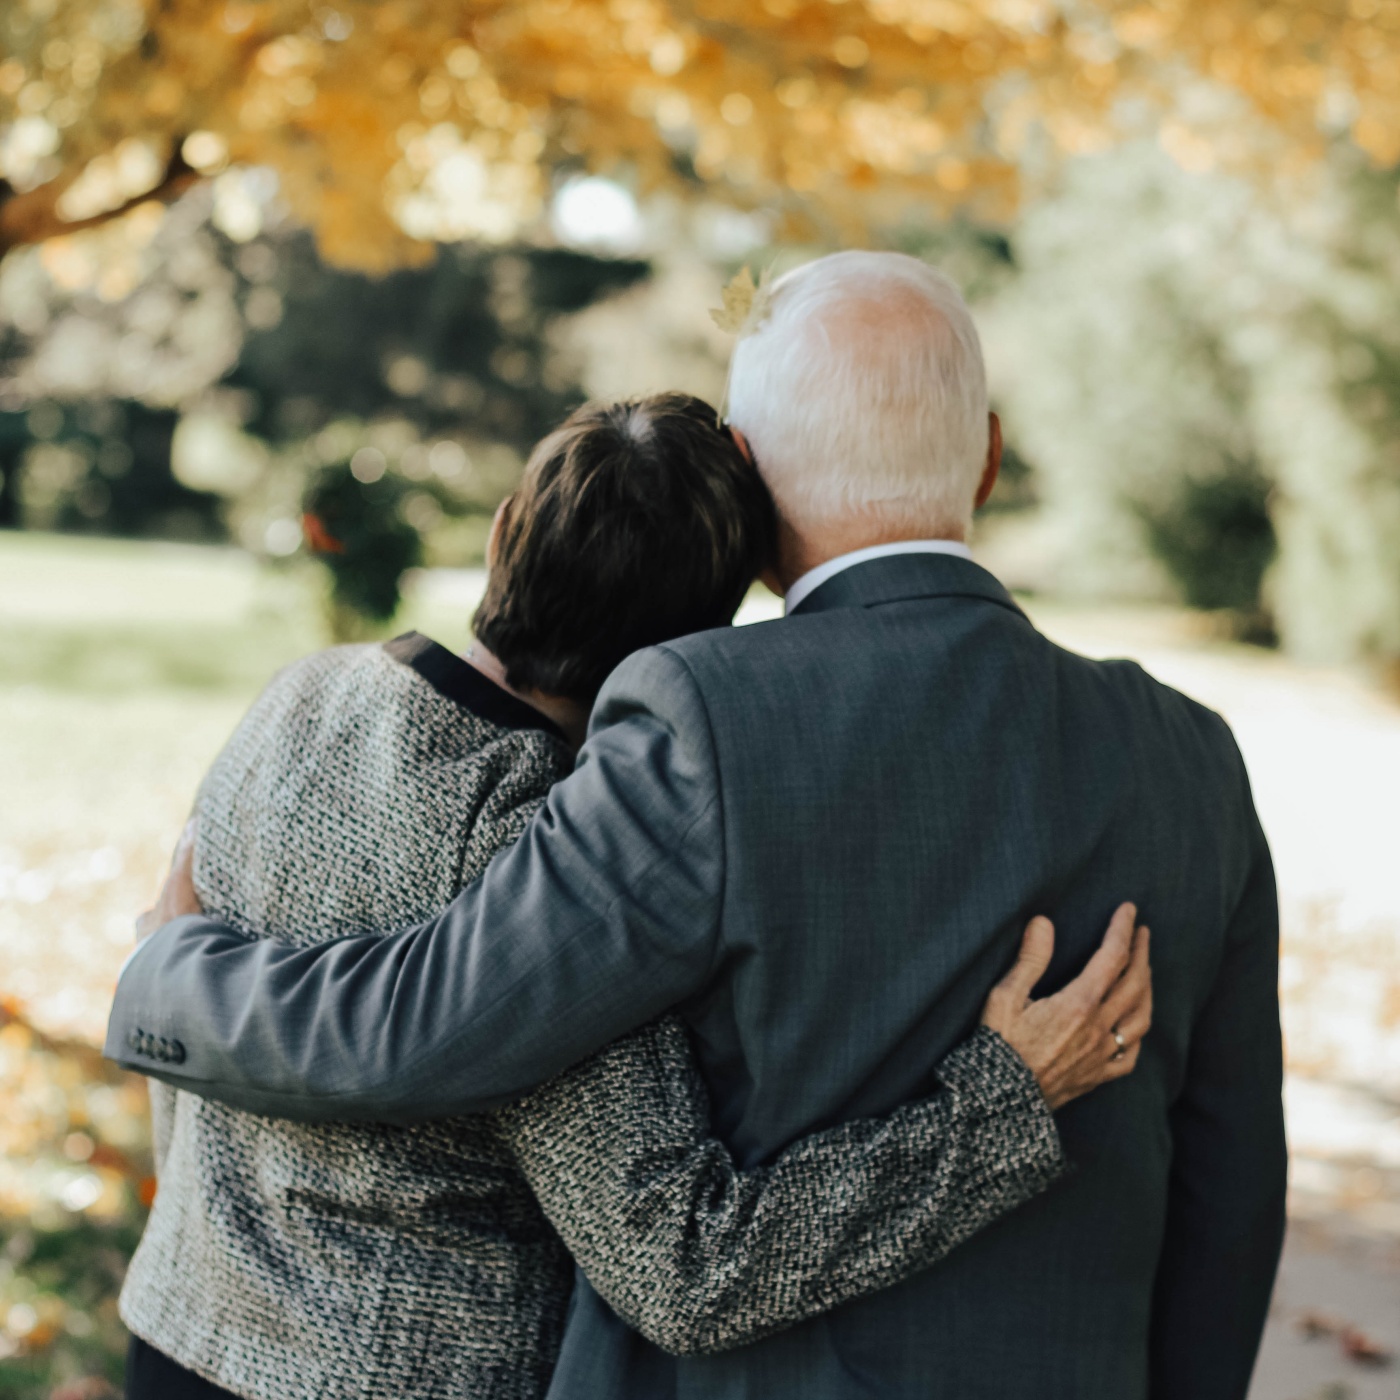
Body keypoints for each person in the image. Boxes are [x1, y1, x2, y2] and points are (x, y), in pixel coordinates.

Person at [110, 254, 1286, 1400]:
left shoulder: (690, 721)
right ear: (983, 454)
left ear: (754, 473)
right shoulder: (1192, 754)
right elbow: (1231, 1183)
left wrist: (169, 974)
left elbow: (431, 1022)